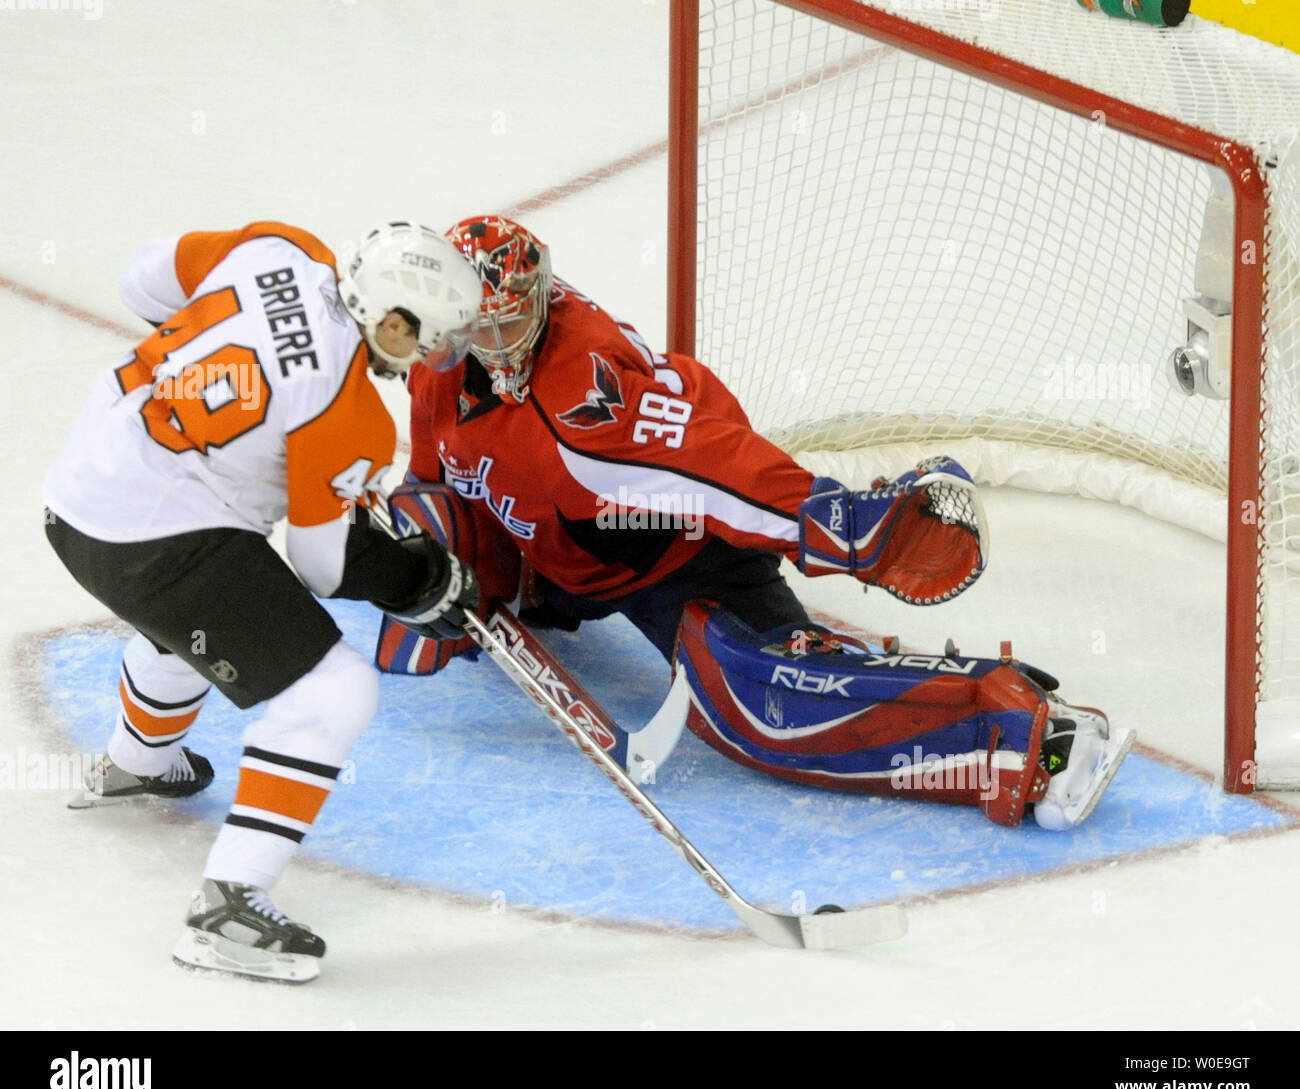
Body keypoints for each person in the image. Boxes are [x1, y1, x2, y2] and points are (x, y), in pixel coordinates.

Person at [389, 214, 1132, 831]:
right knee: (434, 531)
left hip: (679, 552)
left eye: (520, 313)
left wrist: (835, 522)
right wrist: (426, 562)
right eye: (487, 325)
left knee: (757, 702)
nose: (508, 336)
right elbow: (431, 481)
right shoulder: (438, 370)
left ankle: (1022, 730)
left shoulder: (584, 399)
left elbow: (717, 468)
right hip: (561, 556)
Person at [43, 220, 484, 983]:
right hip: (151, 540)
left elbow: (142, 281)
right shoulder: (349, 411)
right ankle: (227, 906)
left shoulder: (278, 248)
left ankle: (136, 762)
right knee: (334, 688)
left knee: (198, 613)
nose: (428, 359)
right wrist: (417, 581)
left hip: (78, 494)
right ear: (391, 321)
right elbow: (322, 565)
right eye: (428, 341)